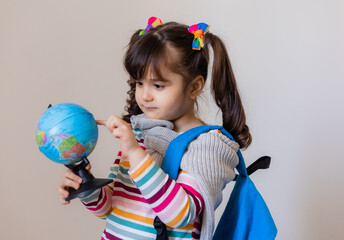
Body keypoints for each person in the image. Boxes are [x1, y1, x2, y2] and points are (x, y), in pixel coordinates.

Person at [57, 17, 252, 240]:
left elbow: (180, 215)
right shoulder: (140, 136)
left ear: (195, 86)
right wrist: (87, 188)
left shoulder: (209, 146)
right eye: (139, 83)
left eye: (158, 85)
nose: (145, 95)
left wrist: (134, 153)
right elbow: (113, 207)